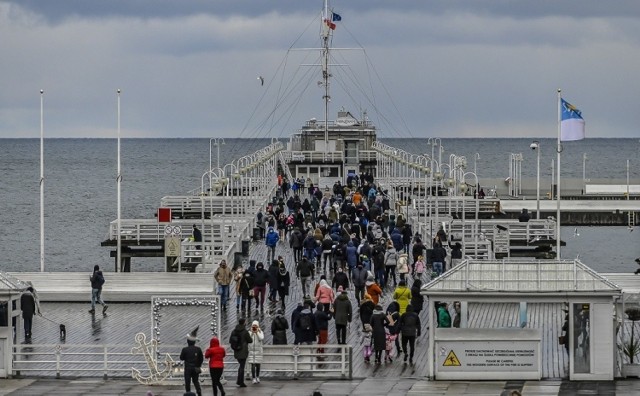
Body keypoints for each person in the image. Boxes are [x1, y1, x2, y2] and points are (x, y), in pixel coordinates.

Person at [180, 326, 204, 396]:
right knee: (196, 381)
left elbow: (181, 358)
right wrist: (198, 365)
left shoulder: (185, 349)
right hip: (195, 367)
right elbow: (201, 359)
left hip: (188, 367)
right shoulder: (198, 349)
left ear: (188, 341)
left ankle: (188, 393)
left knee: (187, 381)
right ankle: (199, 392)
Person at [230, 318, 252, 387]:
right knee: (242, 367)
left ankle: (239, 381)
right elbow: (250, 340)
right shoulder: (245, 331)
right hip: (243, 351)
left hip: (236, 350)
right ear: (244, 323)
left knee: (241, 366)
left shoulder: (234, 331)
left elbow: (230, 340)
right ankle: (241, 382)